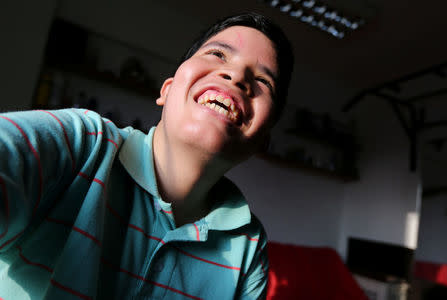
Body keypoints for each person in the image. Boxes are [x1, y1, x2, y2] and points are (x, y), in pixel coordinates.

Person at [0, 12, 293, 299]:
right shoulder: (81, 142)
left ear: (262, 141)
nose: (237, 75)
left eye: (264, 82)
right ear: (167, 90)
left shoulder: (249, 245)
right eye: (218, 54)